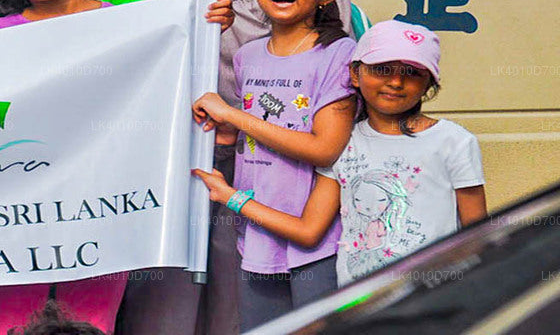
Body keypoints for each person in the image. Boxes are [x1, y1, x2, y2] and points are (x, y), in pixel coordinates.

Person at [124, 0, 361, 335]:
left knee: (248, 269)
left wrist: (233, 119)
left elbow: (333, 47)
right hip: (181, 148)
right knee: (168, 272)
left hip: (271, 153)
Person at [0, 0, 231, 335]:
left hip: (104, 211)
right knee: (7, 325)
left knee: (91, 324)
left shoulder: (134, 26)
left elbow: (169, 99)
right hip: (12, 218)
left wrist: (205, 27)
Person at [194, 20, 487, 289]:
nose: (396, 82)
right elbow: (308, 231)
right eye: (382, 69)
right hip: (358, 301)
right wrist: (229, 196)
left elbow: (479, 237)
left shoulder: (454, 141)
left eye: (412, 73)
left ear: (429, 84)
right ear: (355, 74)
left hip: (433, 299)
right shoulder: (345, 144)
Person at [189, 0, 358, 330]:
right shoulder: (248, 56)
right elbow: (260, 136)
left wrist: (234, 115)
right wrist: (221, 129)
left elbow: (326, 150)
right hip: (256, 230)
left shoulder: (339, 53)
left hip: (316, 242)